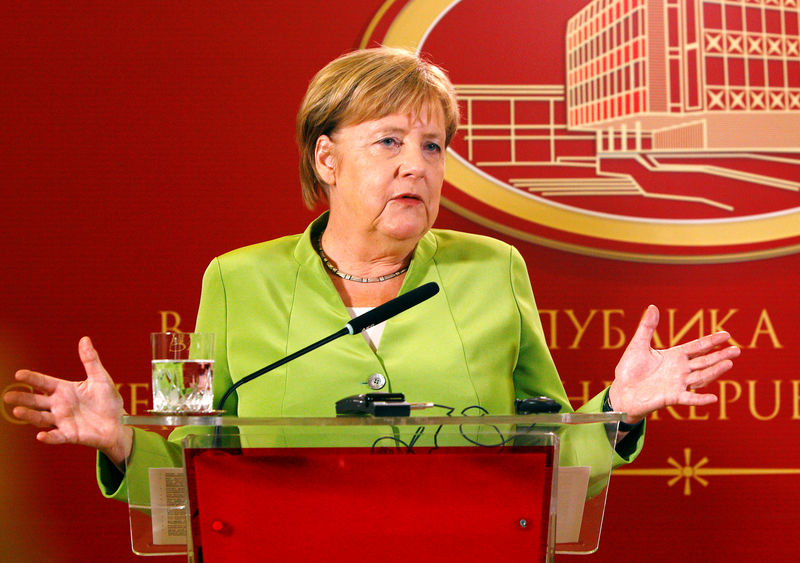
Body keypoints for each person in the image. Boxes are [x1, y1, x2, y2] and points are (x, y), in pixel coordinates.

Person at [5, 48, 740, 502]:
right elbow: (194, 454)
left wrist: (615, 410)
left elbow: (543, 450)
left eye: (432, 144)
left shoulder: (494, 269)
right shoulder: (232, 280)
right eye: (388, 139)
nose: (415, 164)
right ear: (326, 159)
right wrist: (124, 442)